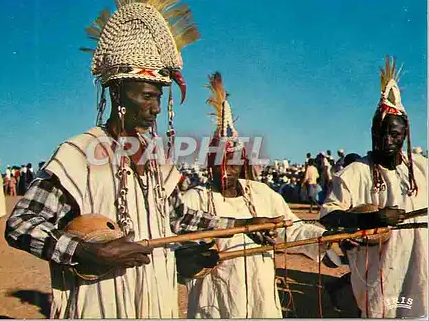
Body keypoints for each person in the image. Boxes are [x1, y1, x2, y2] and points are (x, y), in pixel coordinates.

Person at [4, 0, 268, 319]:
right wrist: (85, 253)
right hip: (99, 302)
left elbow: (179, 217)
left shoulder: (156, 159)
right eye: (146, 96)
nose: (155, 108)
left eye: (159, 97)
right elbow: (22, 224)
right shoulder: (78, 153)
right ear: (117, 95)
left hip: (155, 300)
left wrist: (244, 224)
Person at [177, 72, 329, 318]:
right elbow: (178, 248)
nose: (226, 168)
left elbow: (293, 229)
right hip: (215, 304)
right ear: (209, 164)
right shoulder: (196, 199)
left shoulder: (260, 194)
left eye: (233, 162)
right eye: (219, 161)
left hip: (261, 299)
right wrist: (194, 257)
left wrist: (328, 237)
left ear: (242, 163)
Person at [320, 56, 427, 318]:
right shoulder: (356, 172)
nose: (388, 140)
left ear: (405, 134)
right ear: (372, 132)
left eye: (395, 134)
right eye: (382, 133)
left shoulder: (422, 169)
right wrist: (371, 218)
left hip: (420, 266)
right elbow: (328, 215)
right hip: (379, 271)